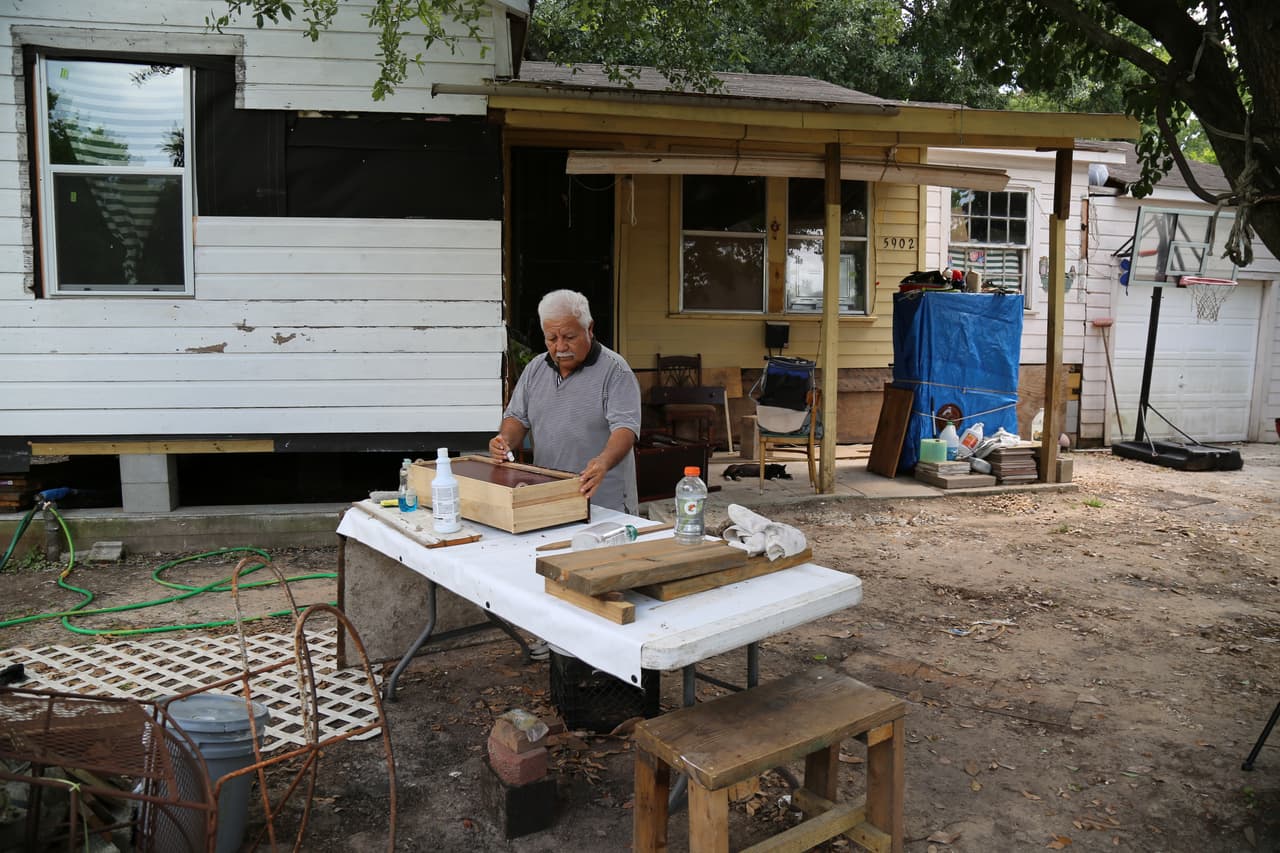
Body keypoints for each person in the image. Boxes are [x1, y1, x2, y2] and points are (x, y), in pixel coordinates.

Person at [489, 290, 642, 514]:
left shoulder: (616, 371)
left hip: (604, 502)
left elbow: (625, 429)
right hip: (550, 496)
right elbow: (516, 418)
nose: (560, 347)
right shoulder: (535, 369)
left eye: (569, 337)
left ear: (589, 329)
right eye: (551, 339)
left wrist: (603, 461)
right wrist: (504, 441)